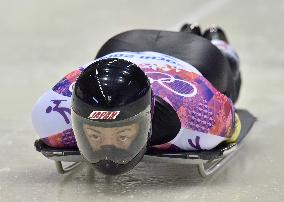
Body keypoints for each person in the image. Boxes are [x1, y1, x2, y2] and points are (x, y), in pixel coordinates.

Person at [32, 24, 241, 174]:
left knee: (230, 74)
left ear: (149, 118)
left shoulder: (199, 121)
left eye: (122, 135)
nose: (108, 151)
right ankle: (197, 35)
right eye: (94, 135)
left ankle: (219, 46)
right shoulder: (48, 117)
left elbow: (234, 124)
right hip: (122, 48)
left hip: (193, 56)